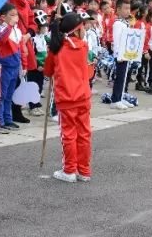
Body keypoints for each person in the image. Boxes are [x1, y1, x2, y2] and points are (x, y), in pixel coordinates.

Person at [44, 11, 93, 183]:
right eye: (83, 26)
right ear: (77, 29)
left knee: (69, 134)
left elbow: (47, 71)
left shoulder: (56, 49)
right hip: (83, 96)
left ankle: (70, 170)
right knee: (84, 134)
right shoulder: (84, 46)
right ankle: (84, 170)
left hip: (66, 98)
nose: (86, 29)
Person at [0, 2, 25, 133]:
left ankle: (7, 119)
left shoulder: (17, 30)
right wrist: (9, 26)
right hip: (3, 67)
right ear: (3, 17)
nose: (15, 17)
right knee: (0, 95)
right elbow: (1, 40)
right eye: (12, 15)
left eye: (16, 15)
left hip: (14, 66)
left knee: (9, 95)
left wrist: (23, 64)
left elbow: (21, 48)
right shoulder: (1, 28)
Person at [109, 0, 133, 109]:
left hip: (126, 54)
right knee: (120, 77)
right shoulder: (118, 23)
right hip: (121, 55)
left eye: (129, 8)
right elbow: (117, 40)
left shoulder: (125, 22)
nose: (128, 11)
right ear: (118, 9)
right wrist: (119, 55)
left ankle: (121, 97)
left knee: (124, 77)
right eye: (126, 8)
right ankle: (115, 100)